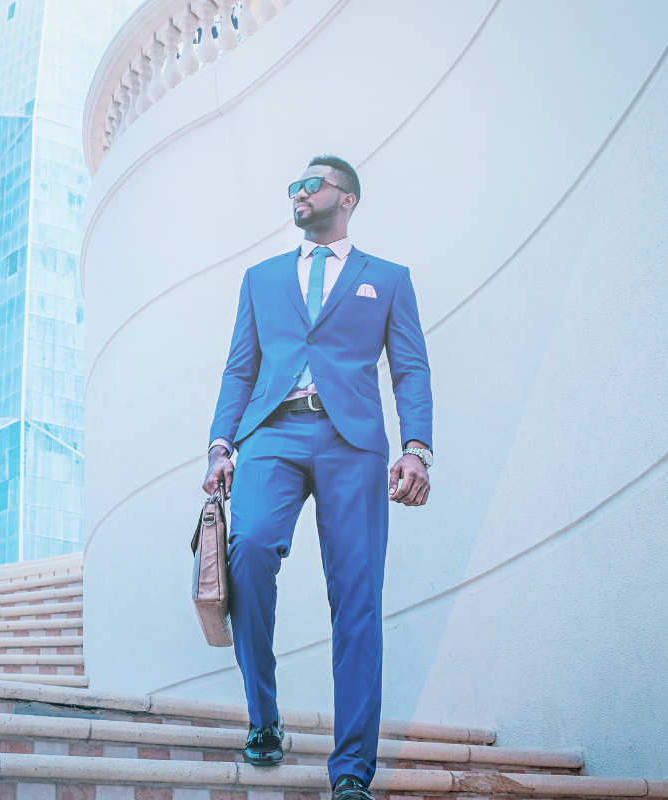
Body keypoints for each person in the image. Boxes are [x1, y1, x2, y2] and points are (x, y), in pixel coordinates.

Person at [203, 155, 433, 800]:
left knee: (357, 596)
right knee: (248, 550)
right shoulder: (262, 278)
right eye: (295, 187)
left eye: (313, 185)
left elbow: (410, 368)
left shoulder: (387, 279)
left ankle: (352, 769)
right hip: (272, 434)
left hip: (351, 443)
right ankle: (264, 717)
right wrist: (220, 444)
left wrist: (417, 448)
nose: (300, 194)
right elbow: (239, 368)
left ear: (347, 198)